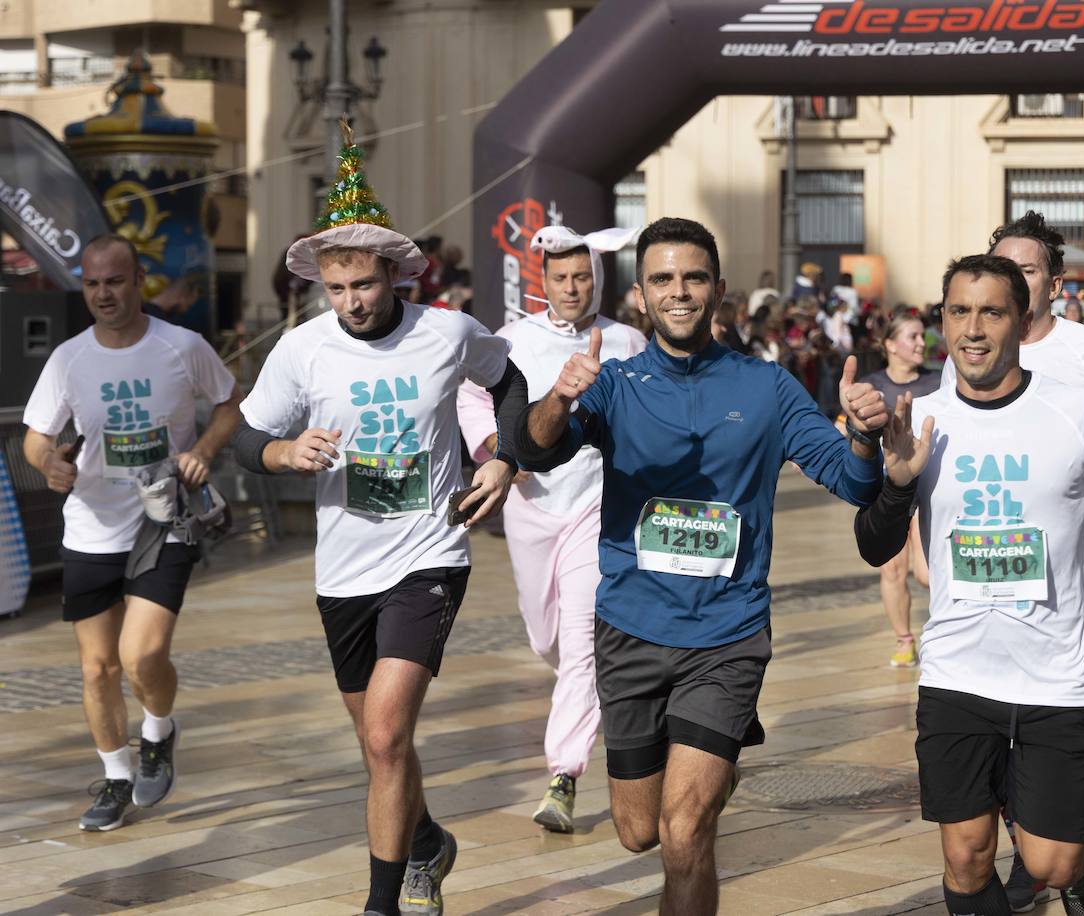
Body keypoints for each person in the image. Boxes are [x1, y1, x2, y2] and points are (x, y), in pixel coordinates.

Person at [514, 217, 886, 915]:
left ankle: (706, 774)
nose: (678, 292)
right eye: (662, 279)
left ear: (718, 289)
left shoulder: (767, 388)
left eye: (692, 278)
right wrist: (561, 396)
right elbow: (536, 451)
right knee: (638, 832)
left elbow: (854, 484)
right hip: (629, 629)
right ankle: (705, 772)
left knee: (685, 832)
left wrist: (863, 438)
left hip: (727, 636)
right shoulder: (615, 382)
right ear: (641, 297)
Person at [231, 130, 526, 916]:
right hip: (342, 572)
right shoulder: (300, 352)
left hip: (429, 558)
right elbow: (242, 438)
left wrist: (505, 459)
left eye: (363, 283)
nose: (353, 301)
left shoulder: (447, 332)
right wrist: (284, 452)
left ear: (393, 273)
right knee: (378, 746)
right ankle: (426, 839)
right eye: (337, 288)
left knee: (389, 736)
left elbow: (513, 383)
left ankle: (380, 905)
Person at [857, 253, 1084, 916]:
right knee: (965, 855)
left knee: (1050, 862)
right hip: (957, 669)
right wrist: (896, 485)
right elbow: (874, 544)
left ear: (1021, 320)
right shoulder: (923, 416)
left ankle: (1080, 860)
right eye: (959, 312)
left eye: (992, 311)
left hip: (1056, 674)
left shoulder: (1073, 410)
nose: (974, 328)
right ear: (942, 323)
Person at [940, 211, 1084, 911]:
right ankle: (1020, 821)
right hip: (979, 586)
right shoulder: (968, 344)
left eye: (1025, 270)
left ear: (1051, 284)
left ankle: (1058, 841)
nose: (1008, 283)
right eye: (1001, 266)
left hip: (1081, 569)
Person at [22, 233, 243, 832]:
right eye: (92, 284)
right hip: (90, 526)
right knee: (98, 669)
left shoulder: (181, 346)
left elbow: (231, 403)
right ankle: (116, 778)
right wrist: (49, 463)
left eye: (114, 281)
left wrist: (200, 450)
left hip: (161, 520)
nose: (103, 294)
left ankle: (159, 731)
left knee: (141, 655)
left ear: (138, 279)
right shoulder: (68, 359)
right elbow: (36, 436)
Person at [457, 224, 646, 834]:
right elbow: (470, 396)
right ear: (542, 281)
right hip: (531, 507)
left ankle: (563, 775)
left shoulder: (629, 341)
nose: (572, 288)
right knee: (548, 639)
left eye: (583, 277)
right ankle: (602, 689)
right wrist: (493, 450)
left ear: (598, 278)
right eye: (561, 278)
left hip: (601, 506)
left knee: (581, 638)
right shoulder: (509, 340)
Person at [858, 310, 940, 668]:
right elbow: (852, 431)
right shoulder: (871, 385)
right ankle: (904, 640)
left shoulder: (938, 382)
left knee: (925, 574)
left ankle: (952, 624)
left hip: (927, 490)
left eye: (923, 336)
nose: (922, 343)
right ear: (890, 344)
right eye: (913, 337)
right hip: (885, 492)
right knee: (891, 570)